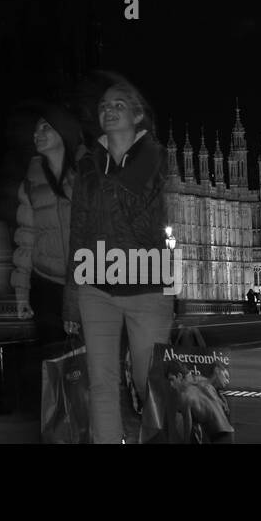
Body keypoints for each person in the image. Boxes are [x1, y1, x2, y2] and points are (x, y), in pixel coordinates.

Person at [63, 74, 174, 444]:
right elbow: (78, 229)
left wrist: (101, 171)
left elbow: (141, 221)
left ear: (137, 116)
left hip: (147, 285)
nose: (109, 110)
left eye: (119, 105)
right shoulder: (88, 167)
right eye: (104, 106)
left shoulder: (155, 159)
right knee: (101, 381)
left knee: (149, 380)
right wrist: (71, 293)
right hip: (96, 286)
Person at [0, 101, 85, 346]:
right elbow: (26, 239)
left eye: (46, 127)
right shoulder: (32, 180)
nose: (37, 134)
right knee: (56, 368)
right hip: (46, 286)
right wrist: (22, 294)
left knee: (94, 371)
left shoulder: (90, 174)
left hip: (88, 287)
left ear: (64, 132)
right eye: (36, 130)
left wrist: (74, 302)